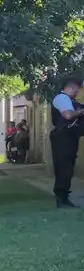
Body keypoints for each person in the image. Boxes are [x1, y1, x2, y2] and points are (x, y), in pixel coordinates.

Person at [50, 77, 84, 207]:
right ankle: (61, 198)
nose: (77, 91)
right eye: (76, 89)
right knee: (64, 167)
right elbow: (68, 115)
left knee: (68, 167)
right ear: (70, 87)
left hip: (69, 136)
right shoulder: (61, 98)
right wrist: (81, 112)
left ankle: (63, 197)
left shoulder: (71, 101)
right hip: (62, 136)